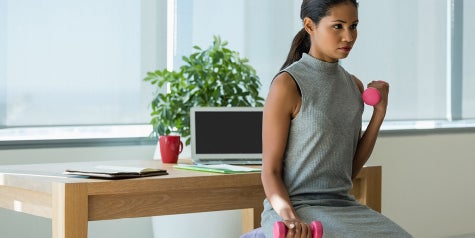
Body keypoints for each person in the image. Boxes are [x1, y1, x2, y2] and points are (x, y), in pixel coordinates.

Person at [260, 0, 412, 237]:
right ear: (310, 26)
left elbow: (347, 171)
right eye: (338, 26)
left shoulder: (353, 86)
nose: (349, 37)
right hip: (295, 209)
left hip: (342, 206)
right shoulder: (288, 84)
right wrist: (289, 217)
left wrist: (379, 114)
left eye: (354, 26)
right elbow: (270, 171)